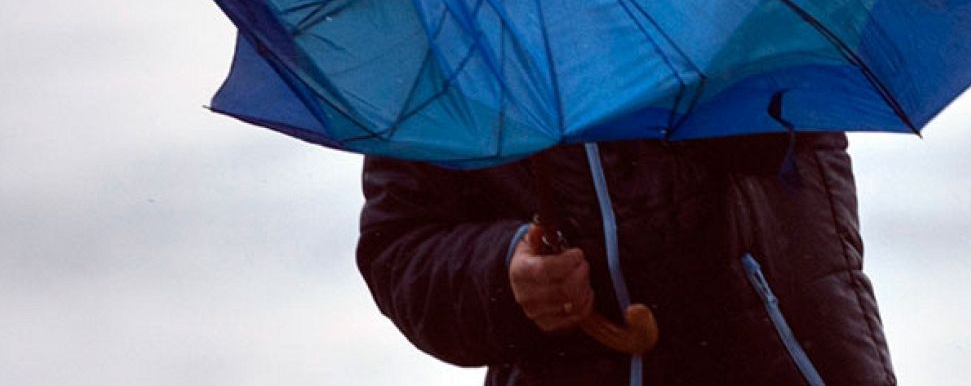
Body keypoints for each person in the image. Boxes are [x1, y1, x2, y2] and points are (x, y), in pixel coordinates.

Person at [357, 132, 897, 385]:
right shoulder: (441, 21)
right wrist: (504, 273)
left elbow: (791, 131)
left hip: (793, 359)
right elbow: (401, 245)